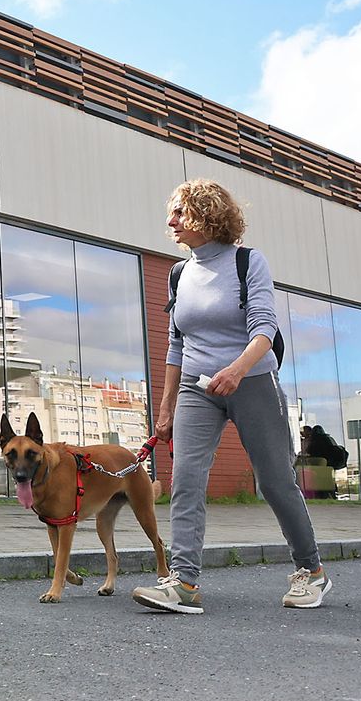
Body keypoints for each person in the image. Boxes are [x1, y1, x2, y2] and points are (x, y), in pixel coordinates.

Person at [132, 179, 330, 614]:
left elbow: (265, 328)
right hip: (197, 388)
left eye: (180, 212)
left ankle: (311, 570)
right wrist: (165, 407)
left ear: (207, 214)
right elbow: (176, 343)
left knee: (275, 481)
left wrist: (237, 370)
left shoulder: (247, 262)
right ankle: (184, 582)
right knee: (185, 477)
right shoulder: (179, 273)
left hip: (252, 380)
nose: (171, 222)